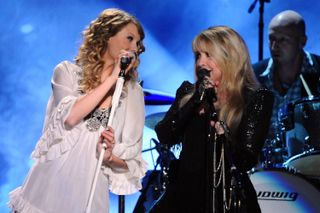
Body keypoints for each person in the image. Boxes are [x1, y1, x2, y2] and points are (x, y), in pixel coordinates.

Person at [8, 8, 147, 213]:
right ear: (107, 36)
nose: (134, 47)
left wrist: (110, 157)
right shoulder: (66, 73)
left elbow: (132, 162)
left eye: (138, 44)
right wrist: (113, 78)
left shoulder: (133, 93)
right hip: (49, 187)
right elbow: (71, 117)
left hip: (89, 193)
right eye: (129, 39)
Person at [150, 26, 274, 213]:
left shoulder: (255, 97)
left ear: (229, 57)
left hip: (227, 198)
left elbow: (245, 160)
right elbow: (166, 135)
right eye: (197, 56)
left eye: (208, 55)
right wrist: (195, 99)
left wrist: (225, 136)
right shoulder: (187, 93)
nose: (201, 63)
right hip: (183, 197)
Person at [253, 10, 320, 148]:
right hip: (264, 167)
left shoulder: (317, 70)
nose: (274, 46)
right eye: (271, 38)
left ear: (302, 41)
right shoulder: (254, 75)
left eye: (283, 39)